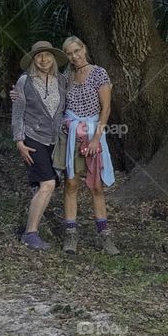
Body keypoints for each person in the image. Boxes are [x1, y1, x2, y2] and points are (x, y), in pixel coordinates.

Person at [53, 36, 119, 255]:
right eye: (69, 53)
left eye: (77, 50)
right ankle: (70, 235)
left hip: (93, 133)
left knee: (96, 186)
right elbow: (52, 99)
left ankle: (104, 236)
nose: (74, 56)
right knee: (71, 184)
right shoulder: (66, 76)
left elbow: (106, 109)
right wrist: (20, 94)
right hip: (71, 133)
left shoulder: (99, 73)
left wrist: (95, 140)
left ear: (84, 49)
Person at [11, 40, 68, 250]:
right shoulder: (24, 81)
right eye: (38, 55)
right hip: (32, 137)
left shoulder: (61, 80)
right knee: (48, 184)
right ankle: (31, 234)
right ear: (33, 59)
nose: (43, 59)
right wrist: (19, 141)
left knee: (42, 186)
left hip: (55, 139)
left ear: (53, 58)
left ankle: (29, 229)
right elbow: (17, 113)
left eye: (47, 55)